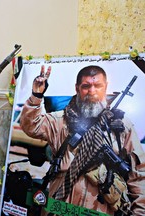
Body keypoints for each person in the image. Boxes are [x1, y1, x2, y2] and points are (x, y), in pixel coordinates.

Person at [20, 65, 145, 215]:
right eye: (86, 86)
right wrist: (36, 95)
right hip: (60, 208)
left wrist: (139, 213)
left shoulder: (122, 127)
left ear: (105, 88)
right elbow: (31, 125)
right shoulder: (61, 121)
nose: (92, 92)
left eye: (97, 86)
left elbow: (138, 176)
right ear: (77, 88)